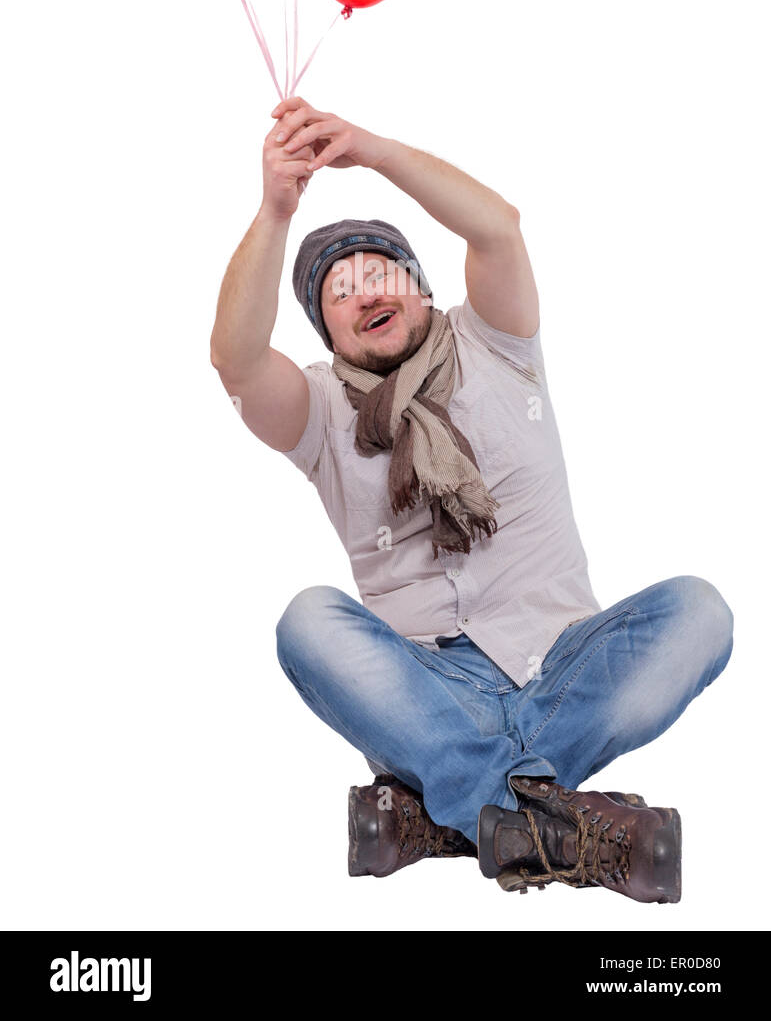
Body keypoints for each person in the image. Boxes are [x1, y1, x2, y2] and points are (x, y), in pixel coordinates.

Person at [210, 94, 733, 903]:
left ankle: (443, 816)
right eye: (338, 292)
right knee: (306, 621)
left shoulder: (496, 341)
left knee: (699, 610)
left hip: (563, 667)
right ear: (327, 333)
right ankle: (558, 825)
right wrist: (277, 207)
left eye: (381, 271)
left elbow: (497, 227)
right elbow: (238, 361)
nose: (363, 291)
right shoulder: (319, 411)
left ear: (419, 287)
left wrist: (371, 148)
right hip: (427, 686)